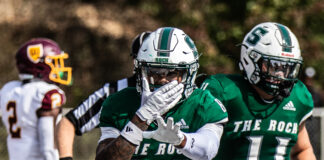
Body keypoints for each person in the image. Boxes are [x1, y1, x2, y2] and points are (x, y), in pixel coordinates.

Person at [95, 27, 228, 160]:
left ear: (189, 74)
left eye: (172, 73)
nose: (163, 79)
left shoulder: (204, 104)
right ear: (141, 72)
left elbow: (208, 150)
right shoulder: (120, 104)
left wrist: (181, 140)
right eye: (154, 72)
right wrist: (141, 118)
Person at [201, 22, 316, 159]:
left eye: (287, 68)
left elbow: (302, 149)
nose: (280, 75)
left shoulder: (297, 97)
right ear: (250, 59)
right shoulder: (225, 93)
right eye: (274, 66)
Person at [56, 31, 151, 160]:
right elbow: (69, 122)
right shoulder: (114, 92)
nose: (160, 74)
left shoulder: (186, 95)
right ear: (136, 62)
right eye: (150, 63)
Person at [0, 38, 72, 160]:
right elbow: (49, 148)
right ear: (39, 66)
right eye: (54, 62)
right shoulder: (47, 93)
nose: (59, 67)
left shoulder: (9, 89)